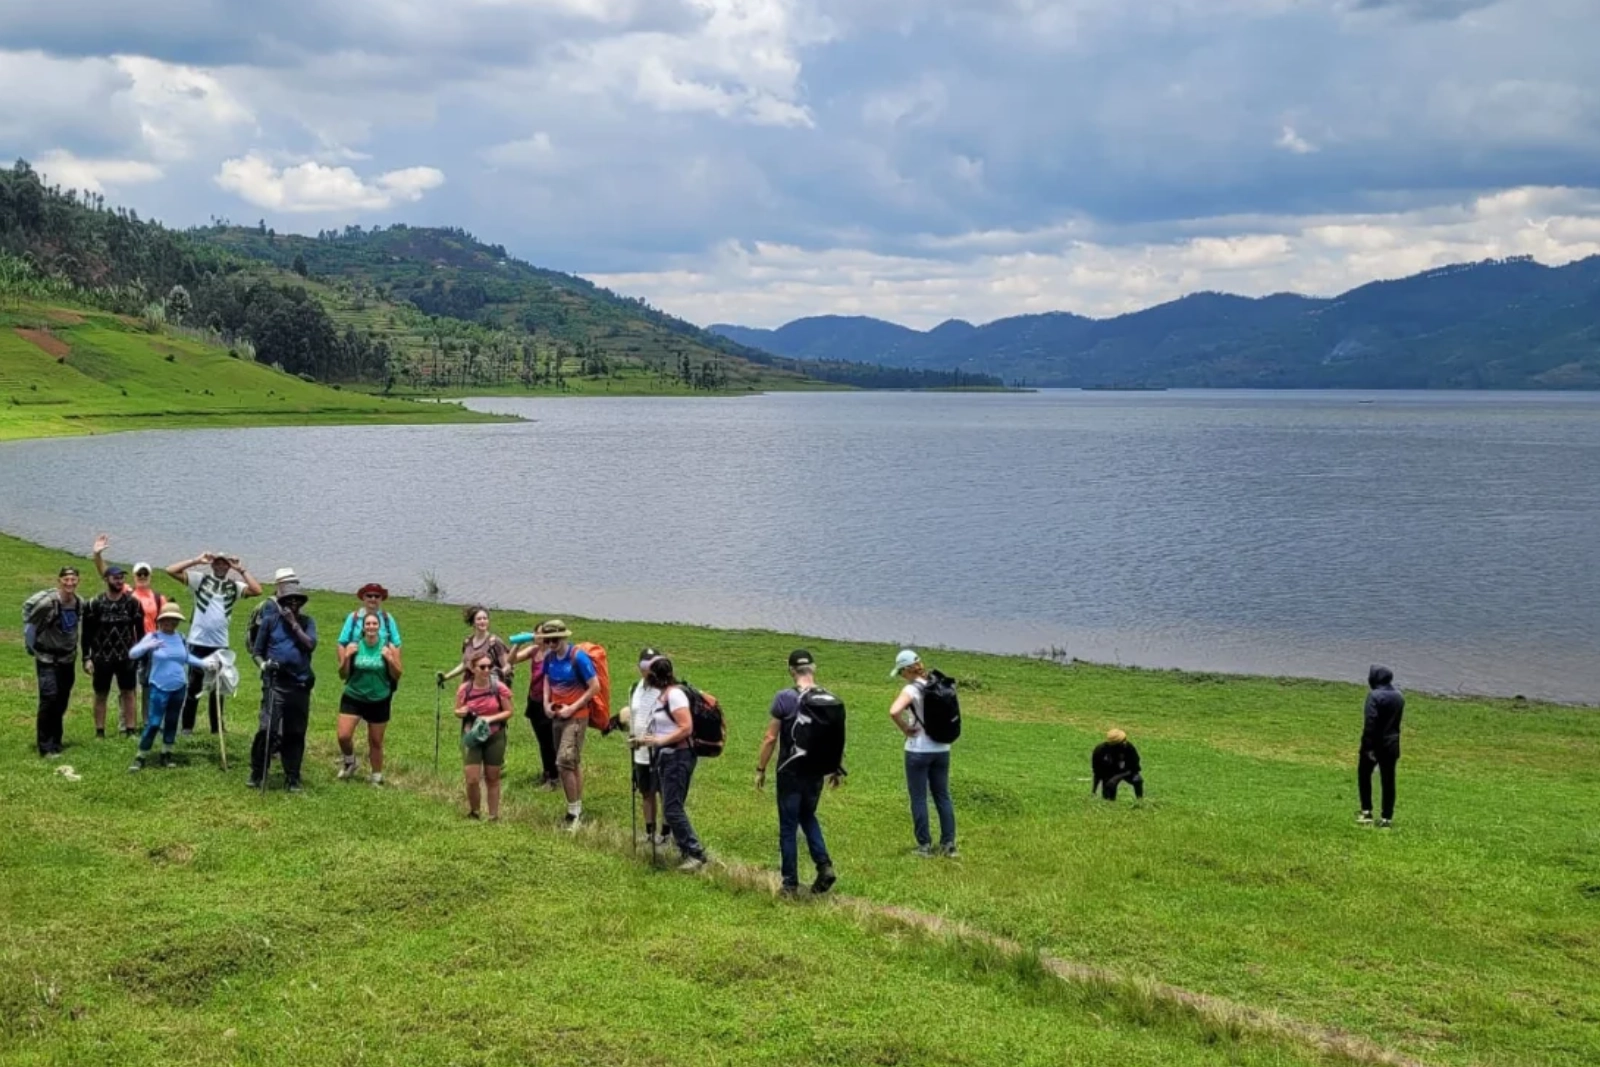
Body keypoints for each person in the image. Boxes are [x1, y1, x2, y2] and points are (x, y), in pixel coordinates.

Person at [756, 649, 840, 897]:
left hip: (790, 771)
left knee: (788, 827)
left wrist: (761, 768)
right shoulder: (828, 698)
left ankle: (789, 884)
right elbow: (835, 738)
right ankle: (824, 865)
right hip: (816, 771)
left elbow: (770, 737)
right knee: (808, 815)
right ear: (813, 669)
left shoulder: (784, 697)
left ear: (791, 670)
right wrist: (835, 768)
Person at [165, 550, 261, 735]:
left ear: (228, 566)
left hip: (220, 643)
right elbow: (170, 570)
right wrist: (196, 560)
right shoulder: (200, 580)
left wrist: (241, 569)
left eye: (224, 563)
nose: (221, 566)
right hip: (198, 641)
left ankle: (217, 728)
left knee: (218, 687)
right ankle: (187, 727)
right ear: (212, 565)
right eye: (217, 562)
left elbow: (257, 590)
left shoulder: (234, 586)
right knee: (194, 685)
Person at [630, 656, 709, 871]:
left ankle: (695, 853)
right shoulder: (664, 695)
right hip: (668, 756)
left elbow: (686, 727)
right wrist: (644, 740)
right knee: (672, 807)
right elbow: (664, 726)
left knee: (672, 809)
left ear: (654, 677)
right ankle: (686, 849)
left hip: (678, 756)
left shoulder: (674, 695)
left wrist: (660, 741)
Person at [248, 578, 317, 792]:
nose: (292, 604)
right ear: (281, 602)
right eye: (288, 600)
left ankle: (292, 777)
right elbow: (257, 652)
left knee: (295, 732)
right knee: (267, 729)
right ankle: (258, 772)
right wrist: (264, 665)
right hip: (275, 683)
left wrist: (293, 624)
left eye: (296, 600)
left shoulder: (307, 622)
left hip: (299, 684)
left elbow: (310, 645)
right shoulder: (270, 621)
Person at [888, 649, 957, 857]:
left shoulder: (911, 689)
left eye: (901, 672)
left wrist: (905, 728)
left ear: (907, 670)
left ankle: (924, 845)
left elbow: (894, 711)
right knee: (942, 795)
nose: (901, 676)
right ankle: (948, 844)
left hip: (918, 749)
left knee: (918, 798)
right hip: (942, 748)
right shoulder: (939, 684)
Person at [532, 619, 600, 830]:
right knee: (572, 763)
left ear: (563, 637)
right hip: (557, 715)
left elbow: (594, 687)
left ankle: (572, 814)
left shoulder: (578, 657)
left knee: (563, 762)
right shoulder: (550, 657)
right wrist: (546, 702)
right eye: (547, 640)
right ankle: (577, 808)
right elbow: (546, 680)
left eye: (554, 640)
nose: (551, 644)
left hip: (576, 716)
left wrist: (573, 707)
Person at [127, 602, 209, 772]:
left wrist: (205, 663)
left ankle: (166, 753)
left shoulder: (181, 638)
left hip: (179, 686)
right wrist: (147, 646)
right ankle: (141, 755)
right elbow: (132, 654)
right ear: (160, 620)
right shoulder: (153, 636)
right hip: (158, 686)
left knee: (172, 721)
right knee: (154, 723)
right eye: (166, 619)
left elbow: (187, 658)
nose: (169, 623)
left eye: (173, 620)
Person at [22, 566, 83, 757]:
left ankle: (56, 741)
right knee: (49, 698)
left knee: (62, 700)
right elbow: (30, 627)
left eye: (73, 579)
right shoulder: (47, 604)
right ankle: (45, 746)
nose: (70, 583)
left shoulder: (79, 603)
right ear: (59, 581)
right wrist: (31, 647)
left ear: (78, 581)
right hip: (47, 658)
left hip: (68, 658)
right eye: (66, 579)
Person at [337, 611, 403, 785]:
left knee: (375, 741)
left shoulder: (388, 647)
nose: (371, 627)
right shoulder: (355, 646)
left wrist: (390, 659)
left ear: (379, 627)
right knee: (343, 736)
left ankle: (376, 776)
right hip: (354, 695)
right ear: (363, 627)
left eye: (374, 624)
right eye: (368, 624)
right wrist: (346, 657)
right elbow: (342, 675)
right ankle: (350, 761)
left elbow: (397, 674)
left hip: (379, 698)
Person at [82, 563, 146, 738]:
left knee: (129, 692)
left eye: (121, 578)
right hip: (101, 656)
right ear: (106, 579)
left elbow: (140, 632)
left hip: (126, 656)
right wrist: (86, 658)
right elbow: (86, 634)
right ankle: (99, 732)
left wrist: (140, 653)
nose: (119, 581)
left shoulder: (133, 603)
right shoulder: (94, 604)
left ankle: (130, 730)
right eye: (115, 578)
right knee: (101, 693)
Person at [455, 652, 514, 820]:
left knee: (492, 776)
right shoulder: (465, 689)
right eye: (482, 667)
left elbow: (509, 711)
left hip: (494, 734)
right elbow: (457, 710)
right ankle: (474, 812)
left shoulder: (499, 687)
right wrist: (462, 712)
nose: (487, 670)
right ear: (473, 669)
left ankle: (493, 816)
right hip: (472, 735)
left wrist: (489, 719)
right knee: (472, 778)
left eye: (490, 666)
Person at [623, 647, 668, 846]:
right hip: (640, 751)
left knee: (664, 793)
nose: (648, 669)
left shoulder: (665, 689)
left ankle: (666, 834)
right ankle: (649, 831)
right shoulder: (635, 688)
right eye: (644, 665)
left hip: (661, 750)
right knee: (646, 791)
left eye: (652, 665)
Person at [507, 624, 559, 790]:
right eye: (536, 632)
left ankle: (554, 777)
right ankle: (547, 773)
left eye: (541, 633)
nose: (537, 635)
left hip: (549, 702)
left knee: (550, 741)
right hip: (534, 700)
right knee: (542, 740)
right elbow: (511, 660)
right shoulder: (534, 650)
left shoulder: (553, 653)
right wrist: (518, 644)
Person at [1358, 665, 1405, 828]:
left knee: (1365, 775)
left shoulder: (1374, 696)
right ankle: (1387, 818)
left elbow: (1370, 722)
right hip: (1392, 743)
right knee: (1388, 780)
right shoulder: (1399, 696)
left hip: (1375, 743)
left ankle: (1366, 811)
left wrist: (1367, 746)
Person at [439, 605, 513, 688]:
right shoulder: (467, 642)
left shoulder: (495, 642)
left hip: (490, 689)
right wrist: (446, 677)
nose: (482, 621)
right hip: (470, 688)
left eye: (485, 618)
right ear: (473, 622)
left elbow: (507, 666)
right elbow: (465, 664)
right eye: (479, 619)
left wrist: (493, 679)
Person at [337, 583, 401, 650]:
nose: (373, 599)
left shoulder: (387, 618)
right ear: (364, 597)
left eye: (377, 596)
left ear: (381, 598)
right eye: (369, 596)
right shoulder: (353, 617)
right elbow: (341, 643)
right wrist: (346, 656)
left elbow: (397, 645)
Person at [1091, 729, 1144, 801]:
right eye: (1122, 741)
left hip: (1126, 771)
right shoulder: (1100, 750)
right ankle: (1111, 802)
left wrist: (1116, 778)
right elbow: (1097, 772)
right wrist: (1094, 790)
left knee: (1137, 779)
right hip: (1109, 774)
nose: (1125, 742)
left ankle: (1140, 800)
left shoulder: (1129, 748)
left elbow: (1134, 768)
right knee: (1108, 797)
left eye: (1125, 739)